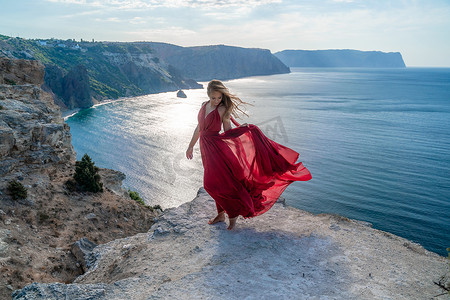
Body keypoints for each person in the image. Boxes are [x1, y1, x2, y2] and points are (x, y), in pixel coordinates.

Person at [186, 80, 311, 230]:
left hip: (217, 150)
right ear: (208, 95)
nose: (216, 101)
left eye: (219, 98)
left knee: (210, 184)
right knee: (218, 183)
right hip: (206, 148)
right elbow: (199, 128)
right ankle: (220, 214)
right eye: (213, 98)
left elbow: (227, 131)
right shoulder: (203, 106)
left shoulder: (223, 109)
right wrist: (190, 146)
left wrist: (242, 130)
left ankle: (232, 215)